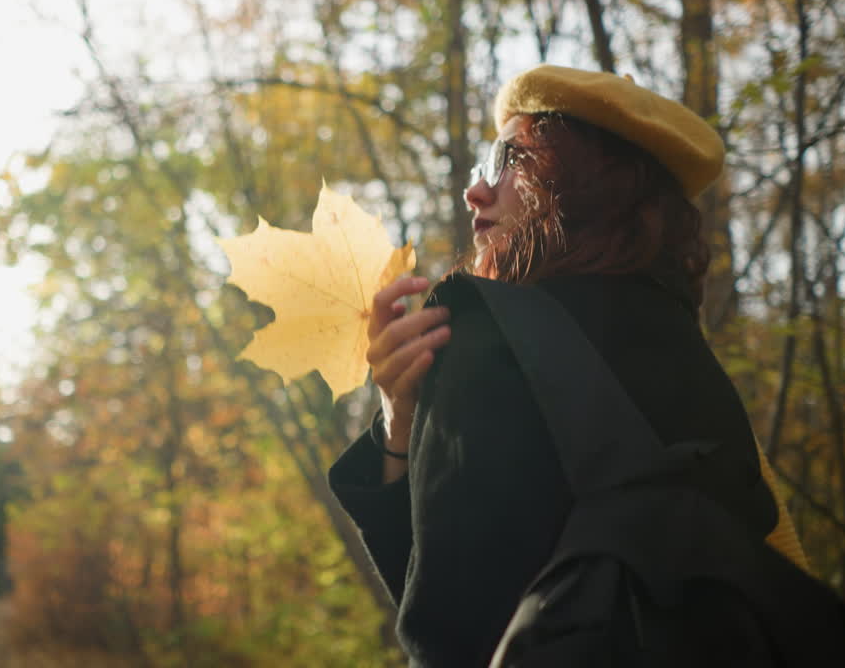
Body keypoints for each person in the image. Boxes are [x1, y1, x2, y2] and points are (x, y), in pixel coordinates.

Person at [328, 65, 815, 666]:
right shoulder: (695, 364)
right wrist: (404, 421)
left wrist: (399, 428)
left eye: (508, 159)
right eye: (483, 165)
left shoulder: (485, 325)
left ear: (588, 181)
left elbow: (452, 629)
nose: (475, 191)